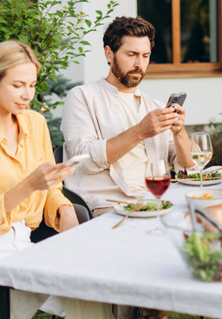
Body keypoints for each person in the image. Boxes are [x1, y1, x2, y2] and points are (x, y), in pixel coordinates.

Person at [0, 41, 113, 319]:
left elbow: (51, 184)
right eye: (18, 85)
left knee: (93, 286)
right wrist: (29, 186)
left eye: (32, 85)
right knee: (74, 293)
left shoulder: (34, 123)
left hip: (22, 240)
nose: (27, 94)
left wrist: (63, 209)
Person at [61, 16, 197, 218]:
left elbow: (188, 171)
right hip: (110, 206)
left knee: (214, 215)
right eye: (132, 54)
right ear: (109, 53)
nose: (139, 64)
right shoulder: (82, 97)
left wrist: (179, 132)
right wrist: (140, 131)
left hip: (158, 200)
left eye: (145, 56)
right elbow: (84, 160)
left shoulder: (156, 106)